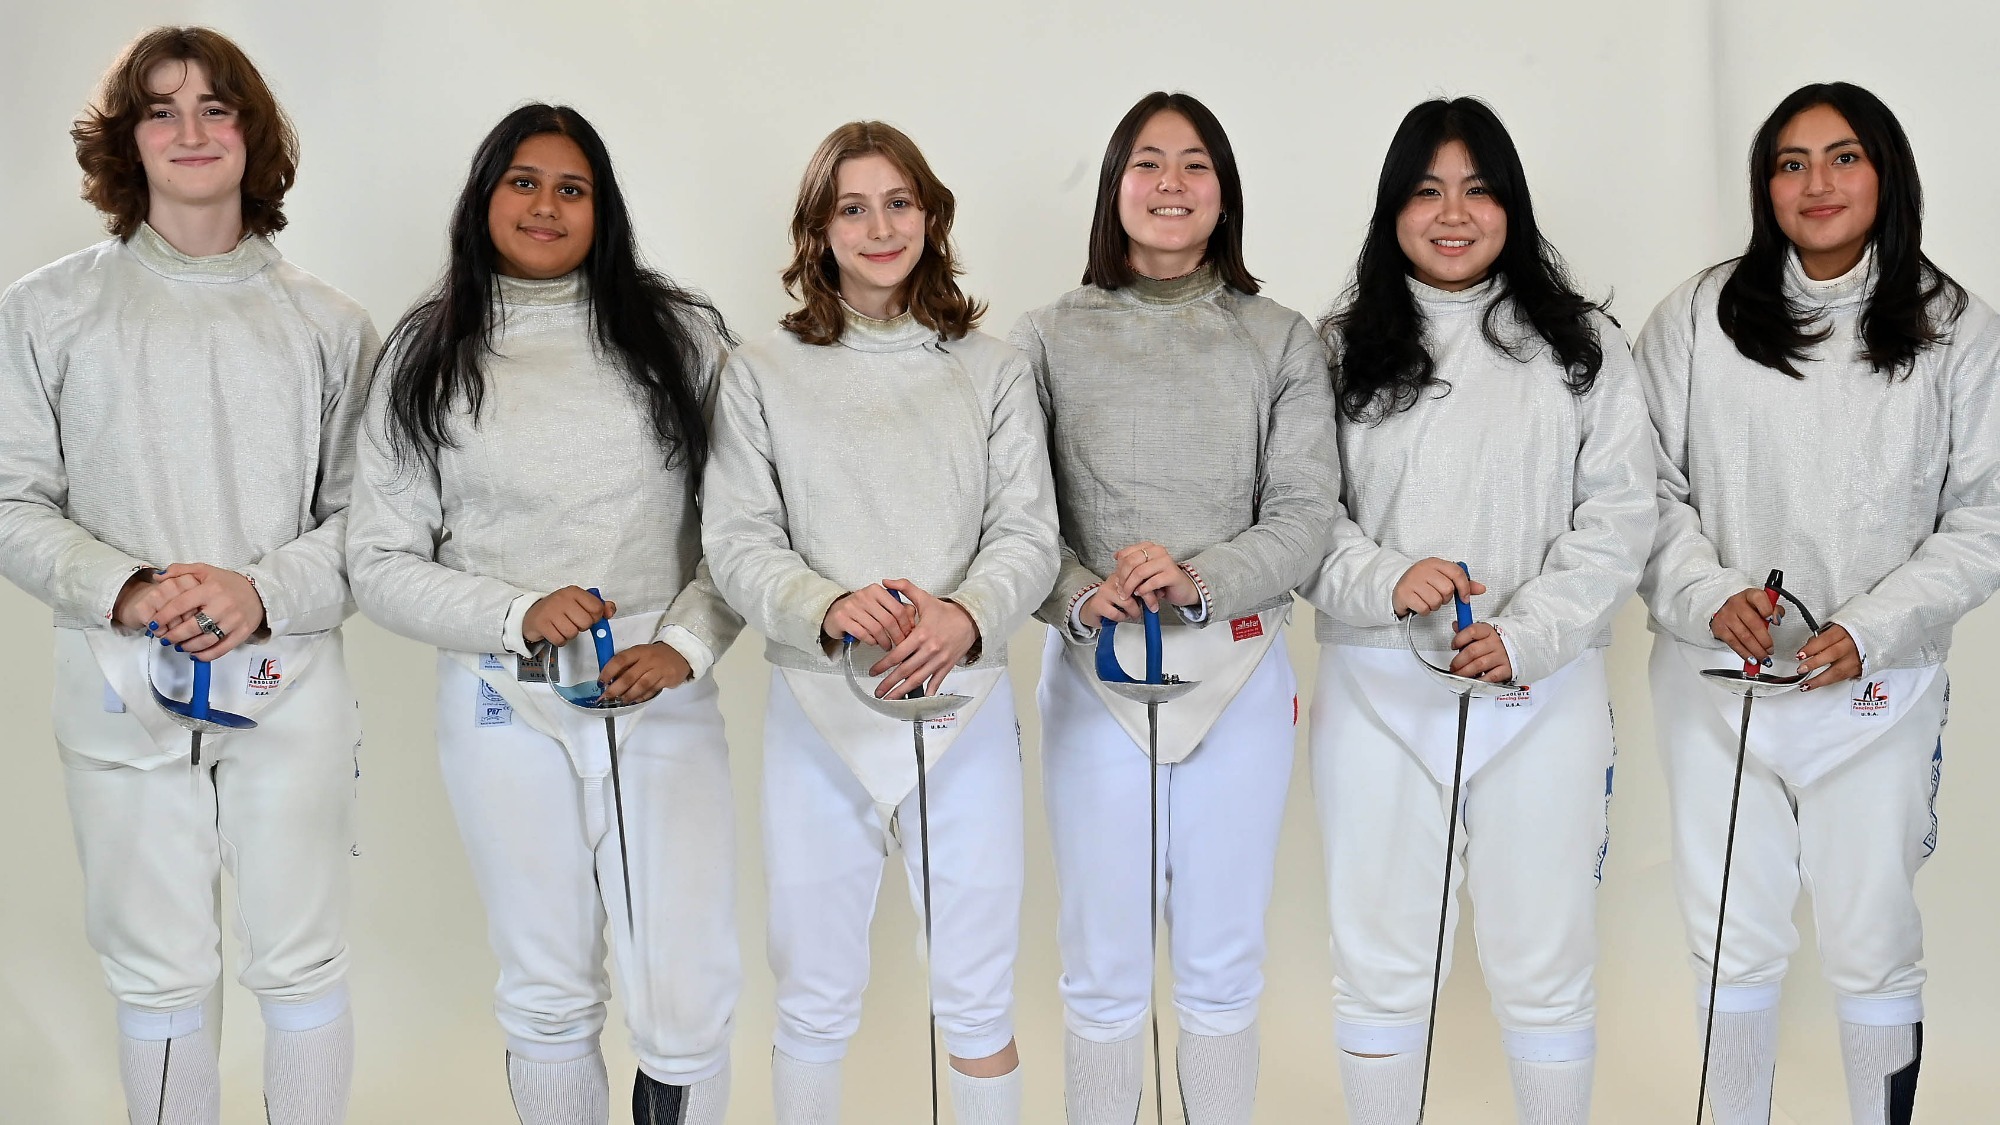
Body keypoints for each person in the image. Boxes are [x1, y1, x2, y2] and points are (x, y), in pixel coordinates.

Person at [0, 26, 377, 1125]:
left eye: (216, 107)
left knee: (301, 956)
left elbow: (370, 523)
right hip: (119, 685)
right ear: (126, 140)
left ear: (253, 133)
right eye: (160, 110)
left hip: (288, 681)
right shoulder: (47, 311)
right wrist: (125, 586)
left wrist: (259, 592)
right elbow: (11, 497)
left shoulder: (329, 324)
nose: (191, 131)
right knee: (157, 970)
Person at [347, 104, 741, 1125]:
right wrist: (519, 611)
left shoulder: (682, 335)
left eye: (573, 188)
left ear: (602, 210)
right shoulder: (425, 351)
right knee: (546, 983)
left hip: (656, 690)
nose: (545, 206)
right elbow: (379, 561)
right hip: (501, 698)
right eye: (523, 181)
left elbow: (747, 529)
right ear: (484, 196)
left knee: (685, 986)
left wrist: (684, 645)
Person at [1634, 81, 2000, 1125]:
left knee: (1871, 939)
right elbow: (1636, 483)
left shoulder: (1956, 329)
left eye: (1843, 157)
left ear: (1885, 174)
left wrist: (1872, 628)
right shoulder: (1698, 317)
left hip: (1876, 693)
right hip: (1717, 685)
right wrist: (1707, 594)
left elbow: (1983, 515)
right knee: (1729, 938)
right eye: (1790, 163)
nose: (1816, 183)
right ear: (1765, 186)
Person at [1300, 96, 1656, 1125]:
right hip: (1377, 691)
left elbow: (1619, 513)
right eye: (1426, 191)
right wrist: (1383, 579)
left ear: (1510, 204)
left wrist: (1526, 635)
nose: (1451, 214)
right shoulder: (1334, 350)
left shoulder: (1581, 344)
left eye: (1476, 189)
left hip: (1539, 691)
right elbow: (1299, 512)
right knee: (1379, 964)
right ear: (1392, 209)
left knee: (1545, 961)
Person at [701, 120, 1058, 1125]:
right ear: (817, 231)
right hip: (818, 710)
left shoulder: (991, 368)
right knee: (813, 989)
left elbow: (1028, 530)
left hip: (964, 704)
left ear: (930, 215)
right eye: (851, 208)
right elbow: (736, 538)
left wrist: (965, 615)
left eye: (898, 202)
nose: (879, 227)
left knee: (977, 994)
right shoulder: (759, 371)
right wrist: (825, 604)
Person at [1010, 90, 1340, 1124]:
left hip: (1239, 672)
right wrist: (1084, 593)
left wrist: (1199, 579)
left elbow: (1304, 513)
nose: (1170, 183)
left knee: (1222, 961)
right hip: (1094, 675)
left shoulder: (1279, 338)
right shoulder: (1044, 337)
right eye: (1147, 162)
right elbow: (1018, 522)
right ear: (1115, 186)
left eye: (1195, 163)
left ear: (1223, 192)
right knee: (1101, 966)